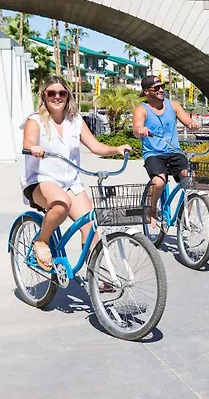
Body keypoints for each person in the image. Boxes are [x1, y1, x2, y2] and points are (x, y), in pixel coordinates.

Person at [21, 75, 131, 272]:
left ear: (68, 96)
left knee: (91, 226)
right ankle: (42, 240)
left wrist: (116, 149)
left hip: (70, 182)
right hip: (40, 180)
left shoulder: (76, 121)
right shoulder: (35, 121)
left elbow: (95, 146)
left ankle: (95, 276)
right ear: (44, 96)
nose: (57, 97)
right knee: (61, 205)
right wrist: (34, 148)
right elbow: (28, 141)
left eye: (62, 93)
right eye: (51, 93)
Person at [132, 75, 200, 236]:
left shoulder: (173, 105)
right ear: (147, 91)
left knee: (190, 177)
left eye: (162, 86)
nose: (161, 90)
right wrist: (141, 130)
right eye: (157, 88)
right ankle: (151, 210)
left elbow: (187, 121)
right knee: (159, 182)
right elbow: (136, 128)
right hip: (154, 153)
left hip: (174, 151)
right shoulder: (142, 109)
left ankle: (185, 216)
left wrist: (193, 125)